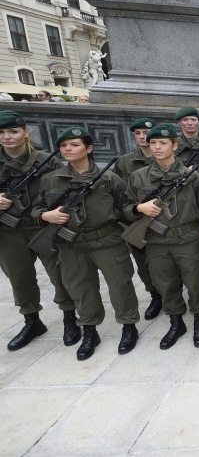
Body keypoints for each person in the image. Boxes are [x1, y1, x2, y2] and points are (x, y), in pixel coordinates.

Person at [33, 127, 140, 360]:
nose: (68, 149)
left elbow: (125, 208)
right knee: (81, 289)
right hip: (71, 245)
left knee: (120, 285)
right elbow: (37, 209)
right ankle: (90, 330)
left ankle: (128, 325)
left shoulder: (109, 179)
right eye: (64, 146)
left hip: (107, 241)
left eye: (74, 145)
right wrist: (45, 216)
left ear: (89, 148)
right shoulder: (51, 180)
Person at [125, 123, 199, 350]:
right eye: (153, 143)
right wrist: (138, 209)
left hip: (188, 239)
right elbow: (124, 208)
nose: (157, 147)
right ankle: (176, 322)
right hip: (157, 242)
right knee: (166, 284)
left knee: (195, 283)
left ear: (175, 145)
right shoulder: (139, 177)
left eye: (163, 143)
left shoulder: (192, 178)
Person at [0, 111, 78, 351]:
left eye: (13, 131)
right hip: (8, 230)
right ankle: (31, 321)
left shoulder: (47, 160)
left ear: (25, 132)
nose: (7, 137)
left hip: (43, 227)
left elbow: (64, 190)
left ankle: (69, 318)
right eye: (2, 133)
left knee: (60, 275)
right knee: (19, 277)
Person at [115, 117, 162, 320]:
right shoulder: (124, 162)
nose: (143, 137)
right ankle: (155, 295)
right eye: (138, 133)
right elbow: (119, 196)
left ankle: (172, 293)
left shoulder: (166, 158)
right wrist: (135, 210)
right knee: (143, 263)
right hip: (138, 220)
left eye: (146, 133)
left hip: (164, 219)